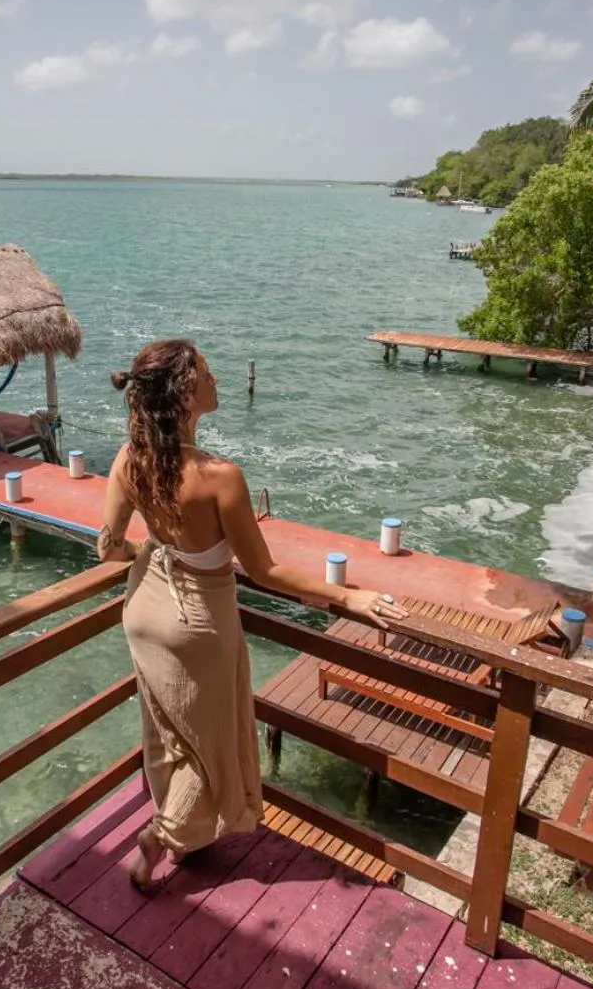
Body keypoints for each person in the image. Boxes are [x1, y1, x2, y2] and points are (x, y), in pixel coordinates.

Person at [98, 339, 408, 889]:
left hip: (143, 605)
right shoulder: (221, 476)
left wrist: (151, 555)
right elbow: (264, 571)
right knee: (212, 739)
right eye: (209, 374)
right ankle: (162, 837)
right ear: (185, 393)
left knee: (169, 730)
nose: (217, 380)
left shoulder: (130, 458)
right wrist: (348, 597)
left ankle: (185, 837)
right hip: (197, 620)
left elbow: (109, 546)